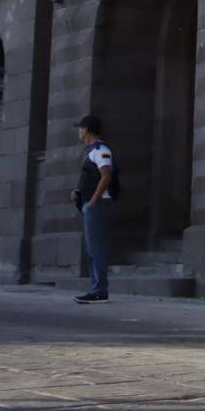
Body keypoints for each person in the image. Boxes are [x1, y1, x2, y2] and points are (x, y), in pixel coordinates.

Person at [72, 115, 117, 304]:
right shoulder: (91, 151)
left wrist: (93, 201)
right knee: (90, 248)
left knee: (96, 248)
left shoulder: (100, 150)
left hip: (97, 205)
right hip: (90, 204)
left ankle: (99, 291)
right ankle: (95, 289)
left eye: (80, 128)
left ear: (86, 130)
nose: (79, 131)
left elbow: (106, 176)